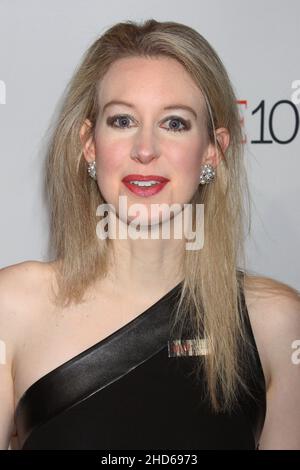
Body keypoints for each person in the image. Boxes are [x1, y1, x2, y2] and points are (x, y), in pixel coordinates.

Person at [1, 18, 300, 451]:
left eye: (174, 124)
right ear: (90, 144)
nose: (145, 150)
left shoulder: (276, 325)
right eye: (122, 120)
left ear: (213, 151)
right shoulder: (14, 308)